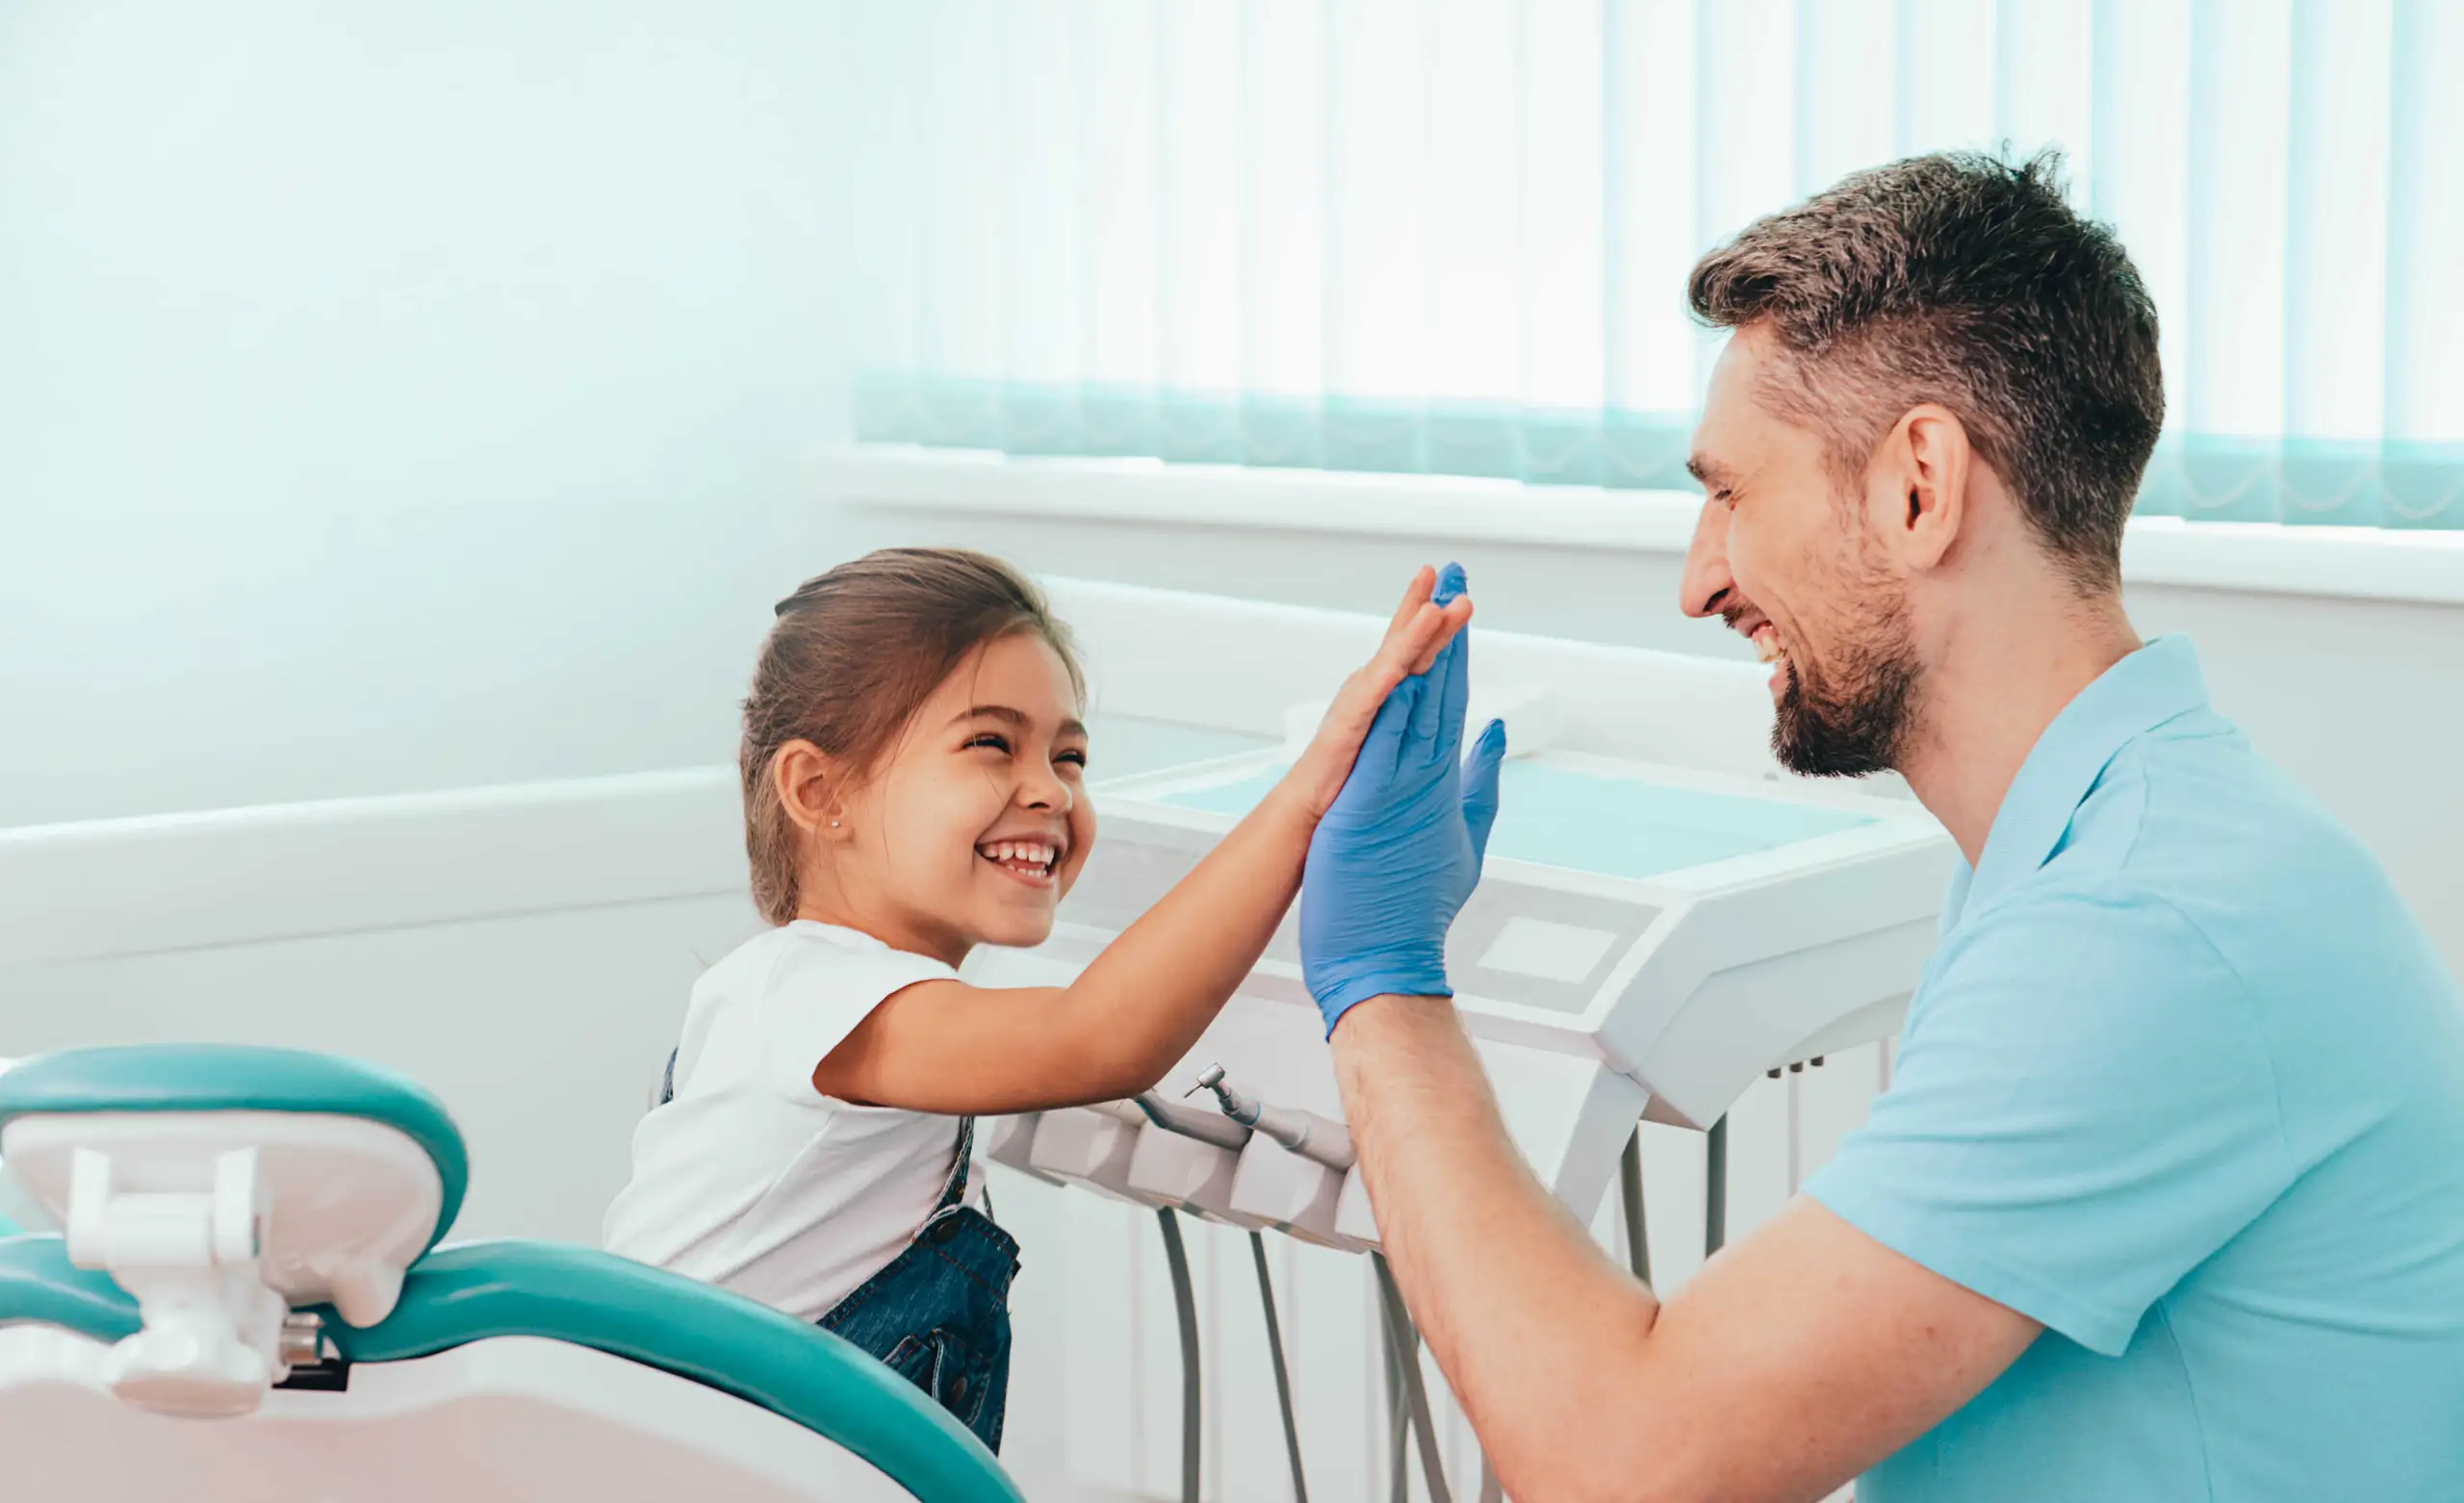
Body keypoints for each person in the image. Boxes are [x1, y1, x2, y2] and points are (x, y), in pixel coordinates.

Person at [1299, 153, 2464, 1502]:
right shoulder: (2097, 843)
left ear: (1919, 485)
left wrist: (1382, 985)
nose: (1698, 581)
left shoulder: (2143, 926)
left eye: (1732, 494)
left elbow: (1618, 1462)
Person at [603, 547, 1470, 1452]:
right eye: (992, 743)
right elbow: (1096, 1036)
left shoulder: (816, 999)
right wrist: (1311, 791)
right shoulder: (816, 997)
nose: (1051, 790)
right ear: (821, 792)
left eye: (1071, 756)